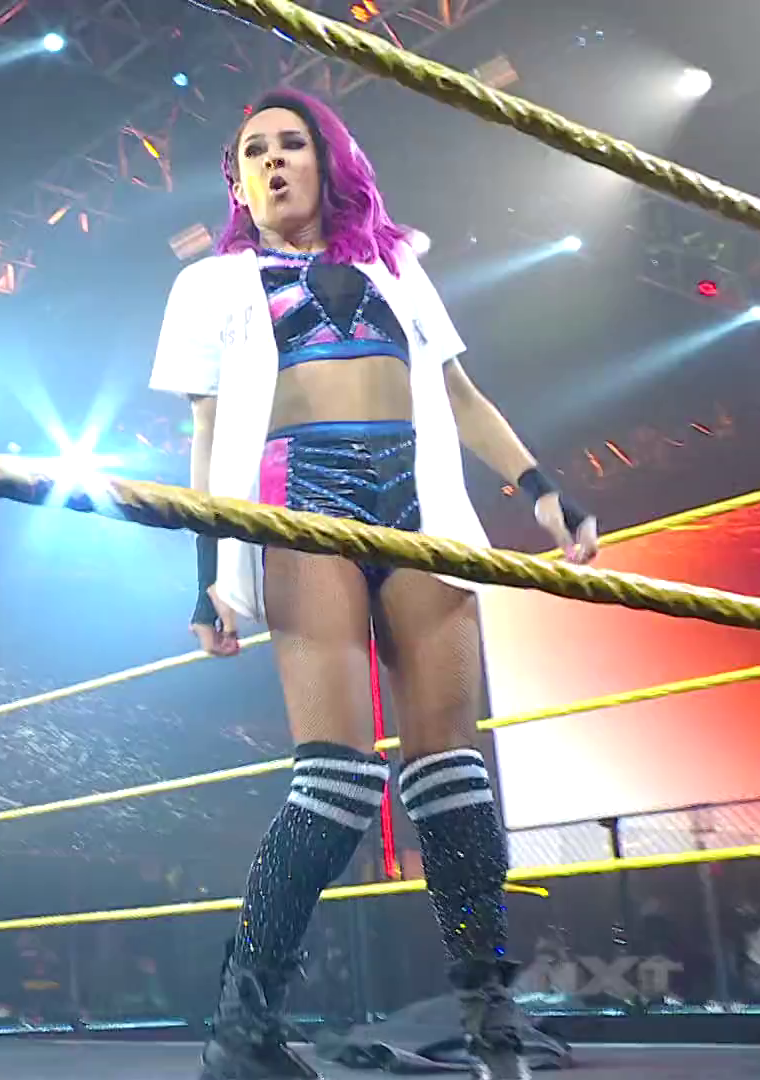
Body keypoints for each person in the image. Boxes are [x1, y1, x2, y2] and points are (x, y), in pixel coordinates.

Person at [149, 88, 599, 1080]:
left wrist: (542, 489)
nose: (272, 161)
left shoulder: (394, 264)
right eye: (253, 150)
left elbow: (459, 393)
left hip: (419, 498)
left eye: (291, 143)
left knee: (454, 771)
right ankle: (245, 1025)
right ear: (239, 181)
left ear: (329, 159)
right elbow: (206, 435)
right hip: (301, 498)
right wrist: (208, 576)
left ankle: (489, 1010)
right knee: (338, 777)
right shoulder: (211, 283)